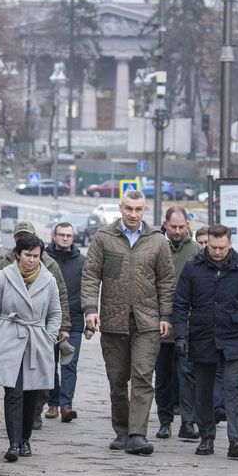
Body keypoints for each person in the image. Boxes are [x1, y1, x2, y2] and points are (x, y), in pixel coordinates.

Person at [81, 189, 175, 456]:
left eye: (139, 210)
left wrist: (166, 316)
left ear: (145, 210)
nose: (133, 214)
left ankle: (137, 434)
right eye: (129, 209)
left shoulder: (157, 241)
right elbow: (90, 276)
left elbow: (166, 282)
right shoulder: (104, 238)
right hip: (113, 319)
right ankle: (122, 431)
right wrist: (90, 309)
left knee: (143, 376)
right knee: (117, 379)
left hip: (148, 321)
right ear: (120, 208)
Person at [173, 224, 238, 458]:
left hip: (235, 335)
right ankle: (207, 437)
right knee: (203, 389)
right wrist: (180, 336)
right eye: (212, 247)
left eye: (221, 248)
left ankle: (235, 439)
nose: (216, 252)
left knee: (233, 386)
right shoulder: (193, 267)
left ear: (230, 243)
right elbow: (181, 304)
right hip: (202, 334)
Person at [0, 234, 66, 462]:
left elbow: (55, 312)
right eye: (27, 255)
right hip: (9, 338)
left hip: (37, 341)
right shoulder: (4, 276)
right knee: (13, 392)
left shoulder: (48, 280)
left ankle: (26, 439)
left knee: (32, 395)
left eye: (36, 256)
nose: (31, 260)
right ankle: (13, 444)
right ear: (18, 254)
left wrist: (49, 337)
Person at [0, 220, 70, 430]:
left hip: (40, 332)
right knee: (13, 384)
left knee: (39, 382)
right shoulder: (4, 266)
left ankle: (34, 412)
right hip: (12, 333)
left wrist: (58, 329)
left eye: (27, 236)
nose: (30, 256)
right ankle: (15, 432)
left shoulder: (50, 266)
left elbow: (60, 298)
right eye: (20, 237)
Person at [154, 207, 200, 441]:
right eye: (173, 227)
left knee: (187, 375)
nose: (178, 231)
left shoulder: (196, 251)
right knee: (162, 376)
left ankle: (188, 422)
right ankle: (164, 421)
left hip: (187, 324)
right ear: (165, 224)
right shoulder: (155, 246)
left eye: (182, 227)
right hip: (158, 322)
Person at [45, 222, 85, 422]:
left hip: (75, 319)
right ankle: (52, 403)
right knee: (49, 363)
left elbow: (88, 290)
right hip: (48, 319)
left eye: (69, 235)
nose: (65, 238)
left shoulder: (81, 261)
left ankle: (66, 406)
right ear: (54, 236)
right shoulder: (44, 258)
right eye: (61, 235)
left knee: (70, 363)